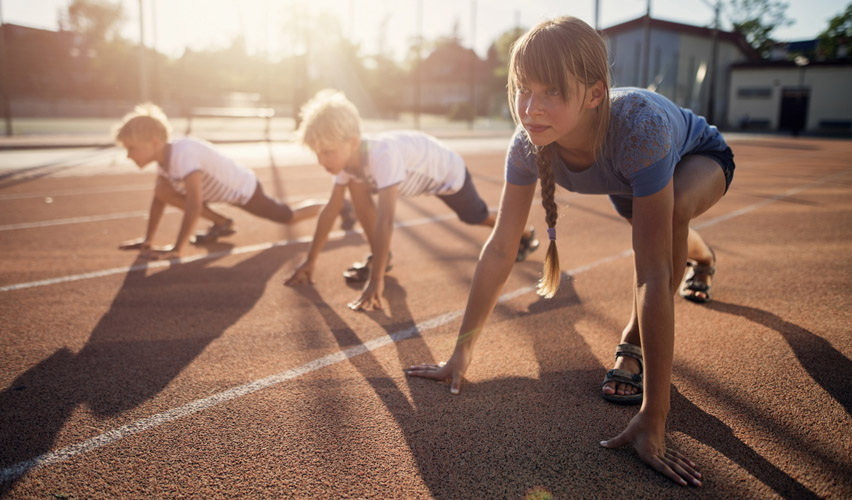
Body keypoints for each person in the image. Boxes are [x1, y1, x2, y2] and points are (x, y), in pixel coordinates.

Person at [406, 16, 736, 487]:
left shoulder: (638, 130)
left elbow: (653, 277)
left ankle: (633, 342)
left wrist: (655, 415)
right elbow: (501, 248)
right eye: (523, 89)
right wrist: (459, 355)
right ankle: (703, 258)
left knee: (673, 217)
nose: (531, 108)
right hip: (631, 178)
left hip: (697, 158)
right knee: (664, 230)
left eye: (552, 93)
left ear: (596, 93)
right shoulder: (526, 145)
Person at [284, 89, 540, 310]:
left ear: (352, 142)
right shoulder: (346, 163)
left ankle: (522, 234)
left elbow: (386, 220)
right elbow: (331, 209)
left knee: (475, 217)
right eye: (317, 153)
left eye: (327, 152)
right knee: (356, 186)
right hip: (417, 170)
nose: (321, 161)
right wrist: (310, 260)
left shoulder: (381, 156)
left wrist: (376, 281)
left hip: (447, 174)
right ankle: (381, 257)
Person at [114, 103, 341, 260]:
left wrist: (177, 249)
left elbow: (194, 203)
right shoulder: (164, 160)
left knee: (289, 218)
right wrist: (148, 240)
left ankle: (339, 207)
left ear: (154, 142)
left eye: (132, 148)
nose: (128, 155)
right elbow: (159, 200)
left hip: (244, 190)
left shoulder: (183, 154)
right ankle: (222, 223)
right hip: (219, 194)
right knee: (162, 190)